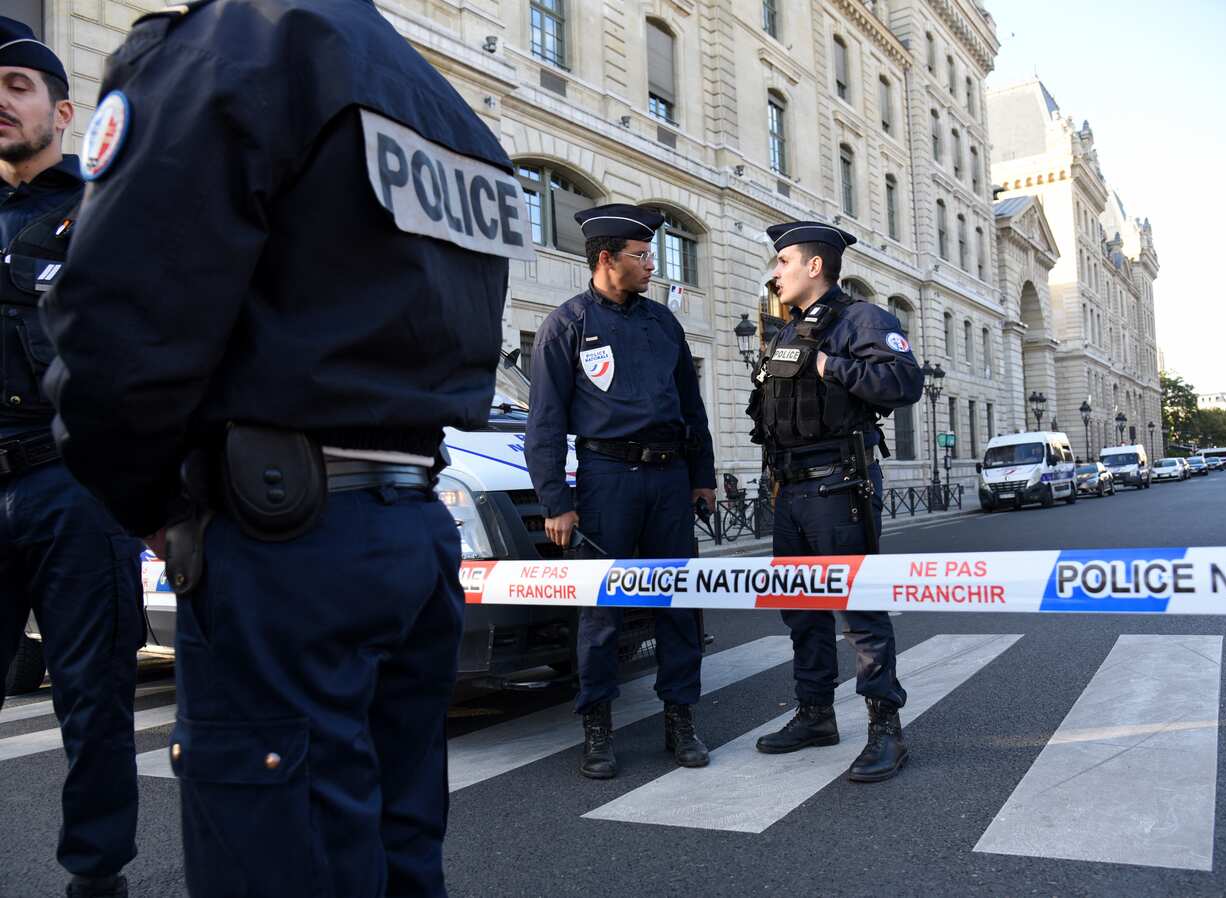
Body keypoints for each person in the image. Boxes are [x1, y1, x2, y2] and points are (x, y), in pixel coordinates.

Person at [40, 1, 523, 895]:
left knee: (278, 860)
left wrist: (151, 506)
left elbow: (115, 325)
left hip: (283, 541)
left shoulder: (234, 44)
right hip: (410, 531)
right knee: (397, 853)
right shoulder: (447, 109)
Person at [0, 19, 142, 898]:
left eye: (17, 84)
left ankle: (97, 878)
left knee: (94, 706)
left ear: (62, 108)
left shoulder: (103, 211)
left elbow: (146, 354)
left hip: (72, 488)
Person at [524, 203, 716, 779]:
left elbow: (692, 407)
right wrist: (556, 501)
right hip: (607, 481)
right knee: (602, 612)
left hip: (669, 479)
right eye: (641, 255)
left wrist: (702, 477)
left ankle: (680, 719)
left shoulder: (664, 324)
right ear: (606, 260)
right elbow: (545, 421)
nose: (653, 264)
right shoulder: (568, 323)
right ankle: (597, 727)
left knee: (677, 605)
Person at [748, 221, 923, 782]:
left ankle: (884, 729)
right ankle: (816, 715)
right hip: (789, 490)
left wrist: (828, 365)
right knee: (801, 610)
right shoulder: (784, 330)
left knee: (860, 611)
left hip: (838, 486)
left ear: (814, 266)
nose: (775, 273)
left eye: (783, 263)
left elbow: (904, 381)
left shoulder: (862, 319)